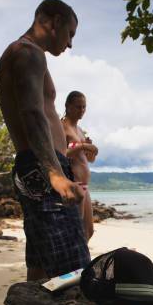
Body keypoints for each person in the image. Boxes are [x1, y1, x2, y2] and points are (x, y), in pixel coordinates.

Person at [0, 0, 90, 281]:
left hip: (34, 166)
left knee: (39, 268)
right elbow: (33, 114)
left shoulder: (23, 53)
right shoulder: (28, 52)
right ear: (53, 22)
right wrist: (56, 174)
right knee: (74, 269)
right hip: (42, 166)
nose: (70, 43)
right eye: (70, 33)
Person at [62, 91, 98, 243]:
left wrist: (91, 151)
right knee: (75, 231)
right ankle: (73, 265)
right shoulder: (62, 126)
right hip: (74, 183)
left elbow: (89, 160)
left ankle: (80, 264)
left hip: (85, 184)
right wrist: (82, 145)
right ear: (68, 106)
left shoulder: (80, 130)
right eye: (78, 107)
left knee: (88, 231)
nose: (82, 110)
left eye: (84, 107)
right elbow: (61, 153)